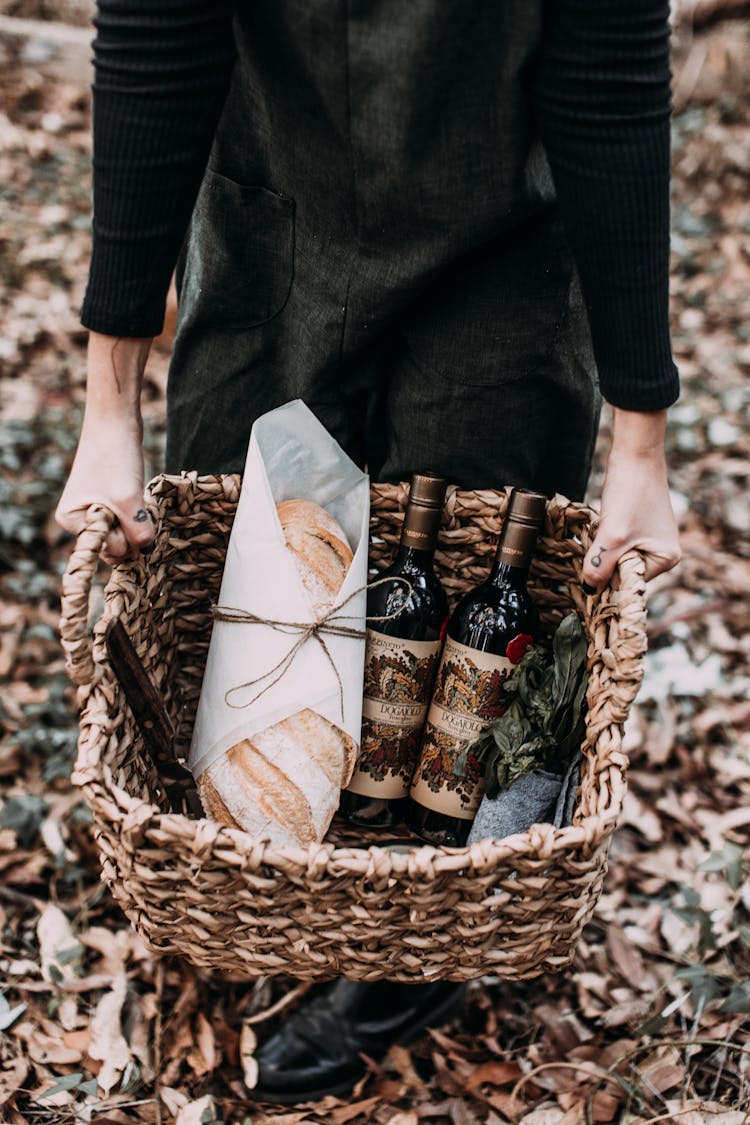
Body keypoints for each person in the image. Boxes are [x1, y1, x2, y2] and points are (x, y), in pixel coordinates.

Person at [56, 0, 682, 1105]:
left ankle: (418, 959)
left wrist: (644, 436)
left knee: (472, 653)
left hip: (505, 267)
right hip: (267, 239)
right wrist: (108, 404)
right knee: (250, 607)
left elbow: (610, 86)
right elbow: (159, 40)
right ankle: (264, 879)